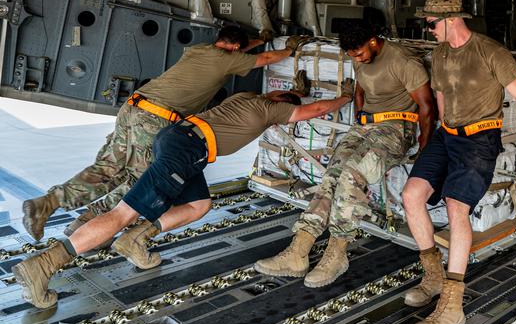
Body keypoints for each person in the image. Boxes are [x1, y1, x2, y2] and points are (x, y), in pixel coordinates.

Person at [13, 85, 354, 309]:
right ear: (280, 107)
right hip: (187, 150)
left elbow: (283, 96)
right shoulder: (268, 109)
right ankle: (45, 264)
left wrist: (292, 90)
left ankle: (137, 239)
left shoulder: (245, 100)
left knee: (199, 204)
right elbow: (314, 109)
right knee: (123, 212)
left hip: (178, 142)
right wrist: (347, 96)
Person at [21, 27, 307, 241]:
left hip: (133, 109)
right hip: (155, 120)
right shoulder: (226, 59)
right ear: (234, 48)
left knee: (106, 168)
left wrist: (259, 37)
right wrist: (290, 49)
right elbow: (266, 58)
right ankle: (88, 226)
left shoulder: (200, 50)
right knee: (139, 180)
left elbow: (239, 50)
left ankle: (45, 204)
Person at [402, 0, 516, 324]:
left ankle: (452, 305)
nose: (428, 29)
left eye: (432, 23)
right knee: (411, 195)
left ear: (451, 20)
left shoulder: (490, 52)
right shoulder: (439, 52)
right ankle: (433, 276)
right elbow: (440, 94)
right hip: (446, 134)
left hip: (479, 139)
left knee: (456, 207)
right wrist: (437, 132)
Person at [255, 22, 435, 288]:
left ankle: (337, 254)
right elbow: (360, 90)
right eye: (352, 55)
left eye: (360, 53)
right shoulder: (359, 57)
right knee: (333, 175)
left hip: (397, 127)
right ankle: (299, 251)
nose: (357, 59)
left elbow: (427, 107)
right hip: (366, 127)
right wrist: (361, 119)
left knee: (353, 175)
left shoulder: (403, 62)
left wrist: (424, 148)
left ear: (373, 41)